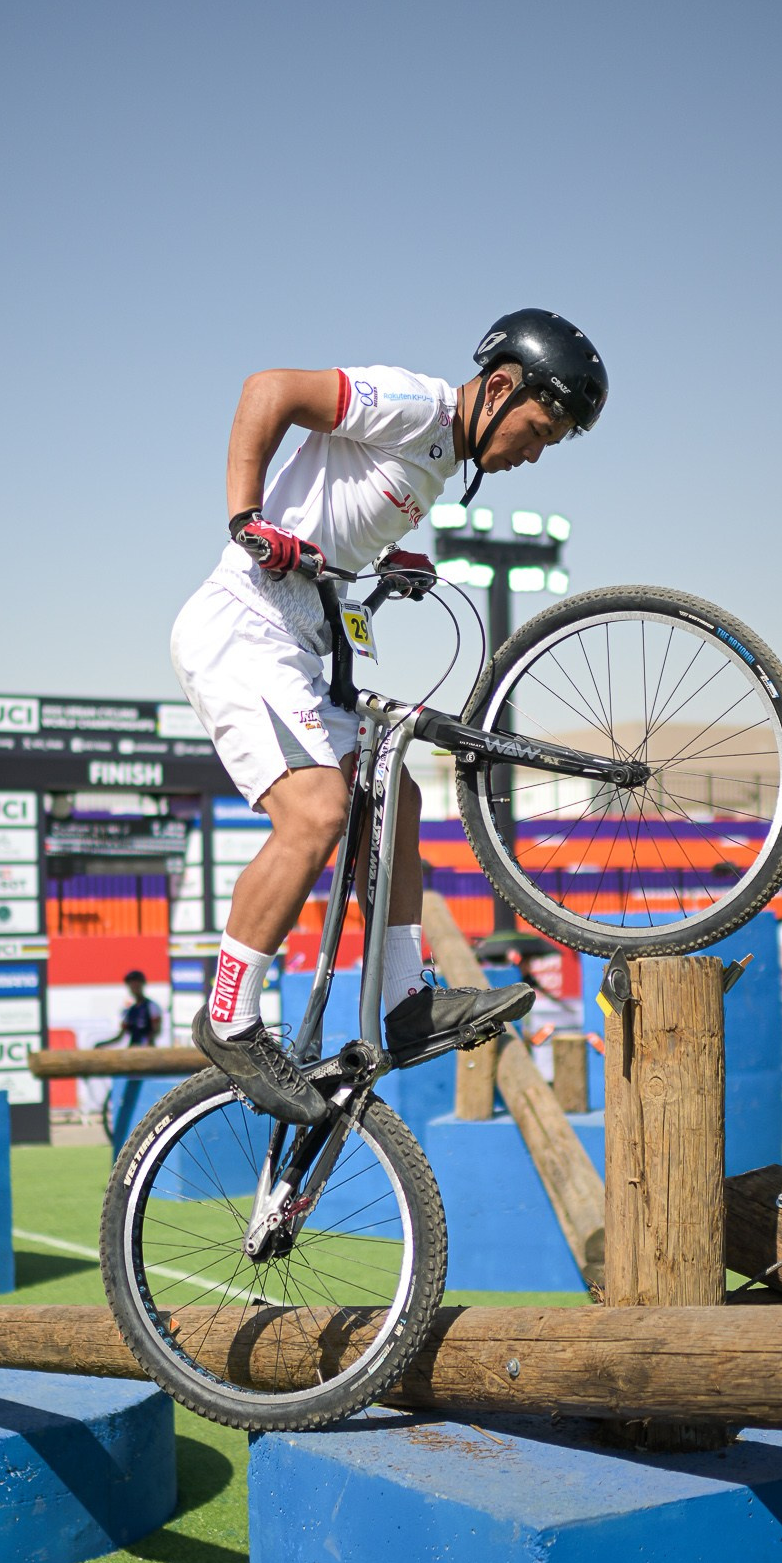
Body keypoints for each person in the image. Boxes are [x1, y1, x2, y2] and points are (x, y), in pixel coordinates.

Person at [172, 310, 609, 1122]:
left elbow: (341, 502)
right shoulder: (414, 404)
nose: (535, 452)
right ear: (501, 387)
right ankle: (229, 1016)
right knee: (318, 815)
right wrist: (247, 520)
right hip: (244, 622)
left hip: (306, 632)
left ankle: (407, 1003)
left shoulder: (439, 455)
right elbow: (266, 390)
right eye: (539, 430)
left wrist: (390, 555)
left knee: (393, 801)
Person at [97, 971, 163, 1049]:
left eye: (136, 983)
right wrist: (102, 1044)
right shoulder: (130, 1011)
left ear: (142, 984)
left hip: (147, 1051)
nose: (133, 986)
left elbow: (157, 1031)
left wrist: (145, 1043)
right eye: (131, 984)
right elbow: (120, 1037)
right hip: (133, 1050)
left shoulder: (151, 1006)